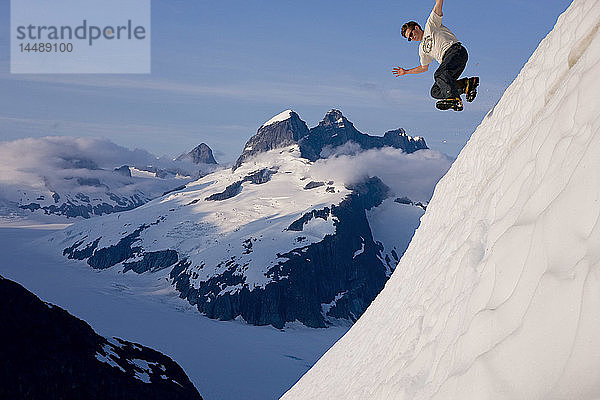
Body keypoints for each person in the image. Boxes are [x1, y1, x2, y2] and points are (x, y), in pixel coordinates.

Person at [392, 0, 478, 111]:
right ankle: (467, 84)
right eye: (409, 38)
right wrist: (406, 72)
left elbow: (438, 5)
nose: (412, 38)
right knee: (435, 91)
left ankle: (454, 98)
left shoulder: (431, 25)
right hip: (449, 64)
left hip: (456, 52)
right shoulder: (422, 49)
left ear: (417, 28)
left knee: (439, 74)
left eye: (411, 34)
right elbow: (424, 67)